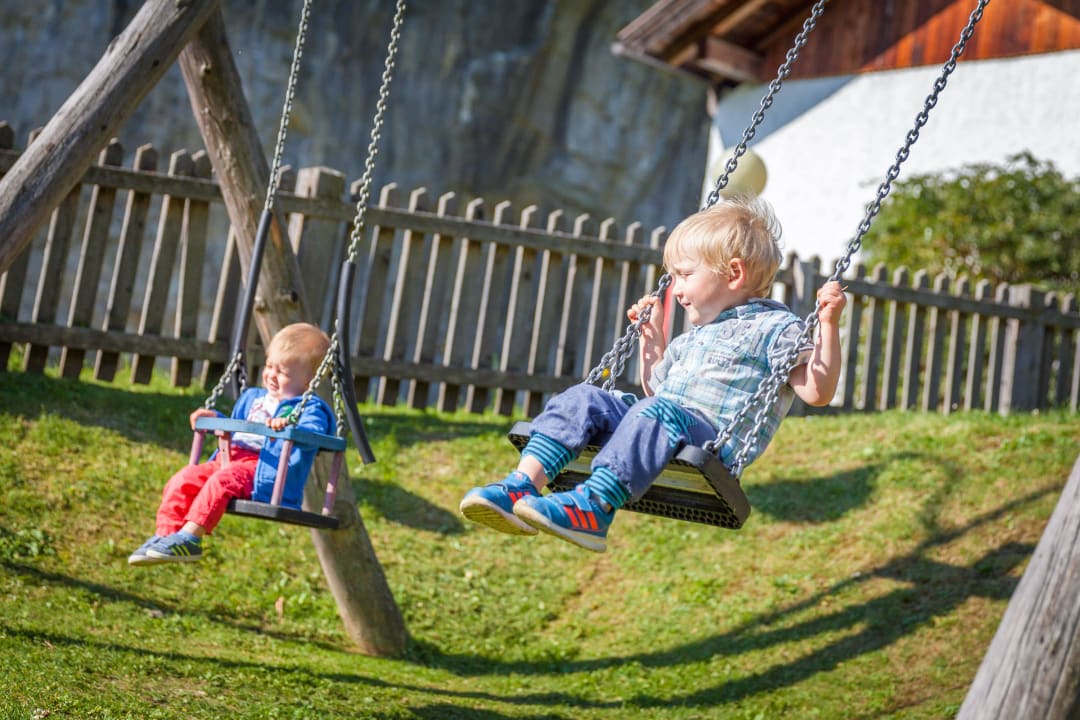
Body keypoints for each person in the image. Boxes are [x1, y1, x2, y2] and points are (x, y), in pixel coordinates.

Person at [459, 197, 847, 552]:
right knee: (585, 397)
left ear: (733, 274)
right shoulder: (693, 338)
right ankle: (520, 486)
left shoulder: (776, 328)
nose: (675, 289)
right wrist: (653, 338)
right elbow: (656, 389)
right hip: (665, 423)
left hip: (710, 442)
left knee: (658, 412)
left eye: (684, 274)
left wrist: (827, 326)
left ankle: (594, 507)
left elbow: (817, 391)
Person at [128, 322, 334, 565]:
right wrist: (215, 419)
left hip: (263, 468)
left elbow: (314, 430)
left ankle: (191, 537)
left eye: (283, 373)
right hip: (228, 457)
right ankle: (166, 535)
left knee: (223, 481)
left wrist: (290, 427)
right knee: (184, 478)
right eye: (269, 366)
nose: (271, 375)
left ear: (309, 382)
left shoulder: (309, 407)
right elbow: (239, 427)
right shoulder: (253, 397)